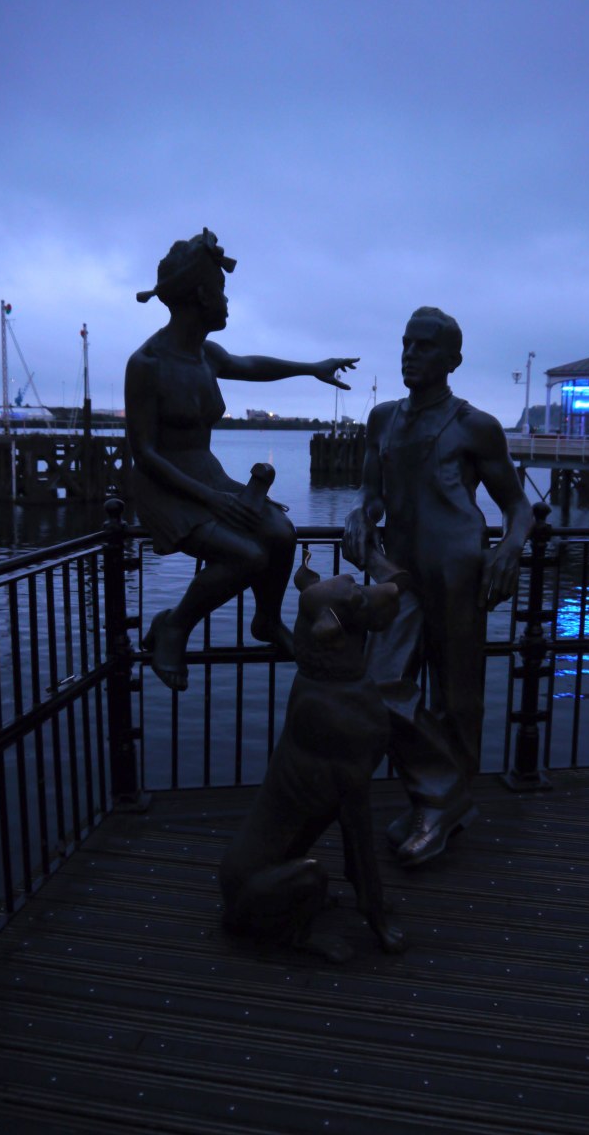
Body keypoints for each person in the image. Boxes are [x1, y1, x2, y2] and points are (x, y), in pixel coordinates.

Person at [342, 307, 533, 867]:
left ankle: (438, 807)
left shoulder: (475, 425)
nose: (410, 355)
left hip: (457, 570)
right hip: (399, 573)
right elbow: (372, 493)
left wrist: (510, 548)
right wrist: (359, 514)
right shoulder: (382, 419)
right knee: (378, 686)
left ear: (453, 360)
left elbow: (517, 505)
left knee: (458, 699)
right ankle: (444, 797)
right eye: (406, 344)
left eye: (423, 347)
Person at [125, 228, 357, 691]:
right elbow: (144, 454)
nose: (227, 300)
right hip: (164, 484)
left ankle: (266, 621)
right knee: (247, 556)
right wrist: (212, 499)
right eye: (221, 289)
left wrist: (311, 368)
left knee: (282, 533)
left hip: (207, 475)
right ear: (200, 295)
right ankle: (174, 626)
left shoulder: (206, 355)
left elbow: (251, 365)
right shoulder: (147, 363)